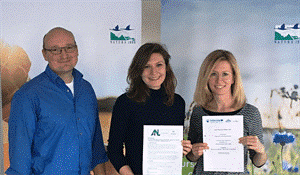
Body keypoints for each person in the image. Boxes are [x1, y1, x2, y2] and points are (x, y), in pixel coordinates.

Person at [6, 27, 108, 175]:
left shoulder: (87, 90)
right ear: (44, 54)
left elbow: (96, 144)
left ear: (77, 50)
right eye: (55, 50)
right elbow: (20, 159)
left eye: (69, 47)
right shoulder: (27, 95)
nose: (64, 55)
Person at [107, 43, 187, 175]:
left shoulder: (177, 103)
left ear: (166, 67)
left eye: (159, 65)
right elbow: (114, 150)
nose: (154, 72)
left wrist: (182, 149)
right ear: (138, 70)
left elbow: (174, 148)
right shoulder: (125, 102)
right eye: (146, 66)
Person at [186, 50, 267, 174]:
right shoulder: (198, 112)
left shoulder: (250, 113)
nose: (219, 80)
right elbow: (190, 157)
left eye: (225, 74)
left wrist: (261, 150)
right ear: (206, 77)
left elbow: (258, 162)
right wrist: (194, 153)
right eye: (213, 74)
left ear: (234, 78)